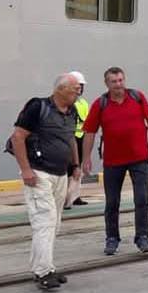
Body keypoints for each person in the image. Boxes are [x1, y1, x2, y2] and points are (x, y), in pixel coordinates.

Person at [10, 73, 81, 290]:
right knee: (45, 221)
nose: (78, 93)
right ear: (60, 90)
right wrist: (25, 170)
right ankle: (42, 272)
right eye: (74, 89)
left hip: (60, 173)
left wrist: (75, 166)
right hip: (38, 173)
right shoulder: (37, 107)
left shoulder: (72, 111)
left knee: (54, 222)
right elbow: (18, 137)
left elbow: (70, 138)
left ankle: (45, 266)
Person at [81, 67, 148, 255]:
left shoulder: (137, 97)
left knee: (141, 199)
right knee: (112, 202)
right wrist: (86, 158)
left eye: (120, 80)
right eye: (114, 81)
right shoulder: (100, 104)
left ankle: (142, 237)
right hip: (113, 161)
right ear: (107, 84)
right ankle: (112, 238)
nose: (118, 85)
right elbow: (90, 132)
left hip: (139, 159)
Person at [65, 71, 90, 208]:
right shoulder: (67, 102)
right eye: (78, 85)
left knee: (77, 167)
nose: (80, 88)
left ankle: (75, 196)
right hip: (70, 137)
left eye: (81, 86)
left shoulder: (84, 103)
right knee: (69, 168)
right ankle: (66, 198)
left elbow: (88, 121)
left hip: (81, 137)